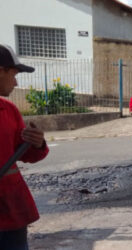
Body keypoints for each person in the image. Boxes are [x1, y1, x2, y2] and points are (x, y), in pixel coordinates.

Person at [0, 44, 49, 249]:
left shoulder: (8, 110)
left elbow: (26, 154)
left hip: (10, 214)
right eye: (14, 73)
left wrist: (37, 143)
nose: (16, 81)